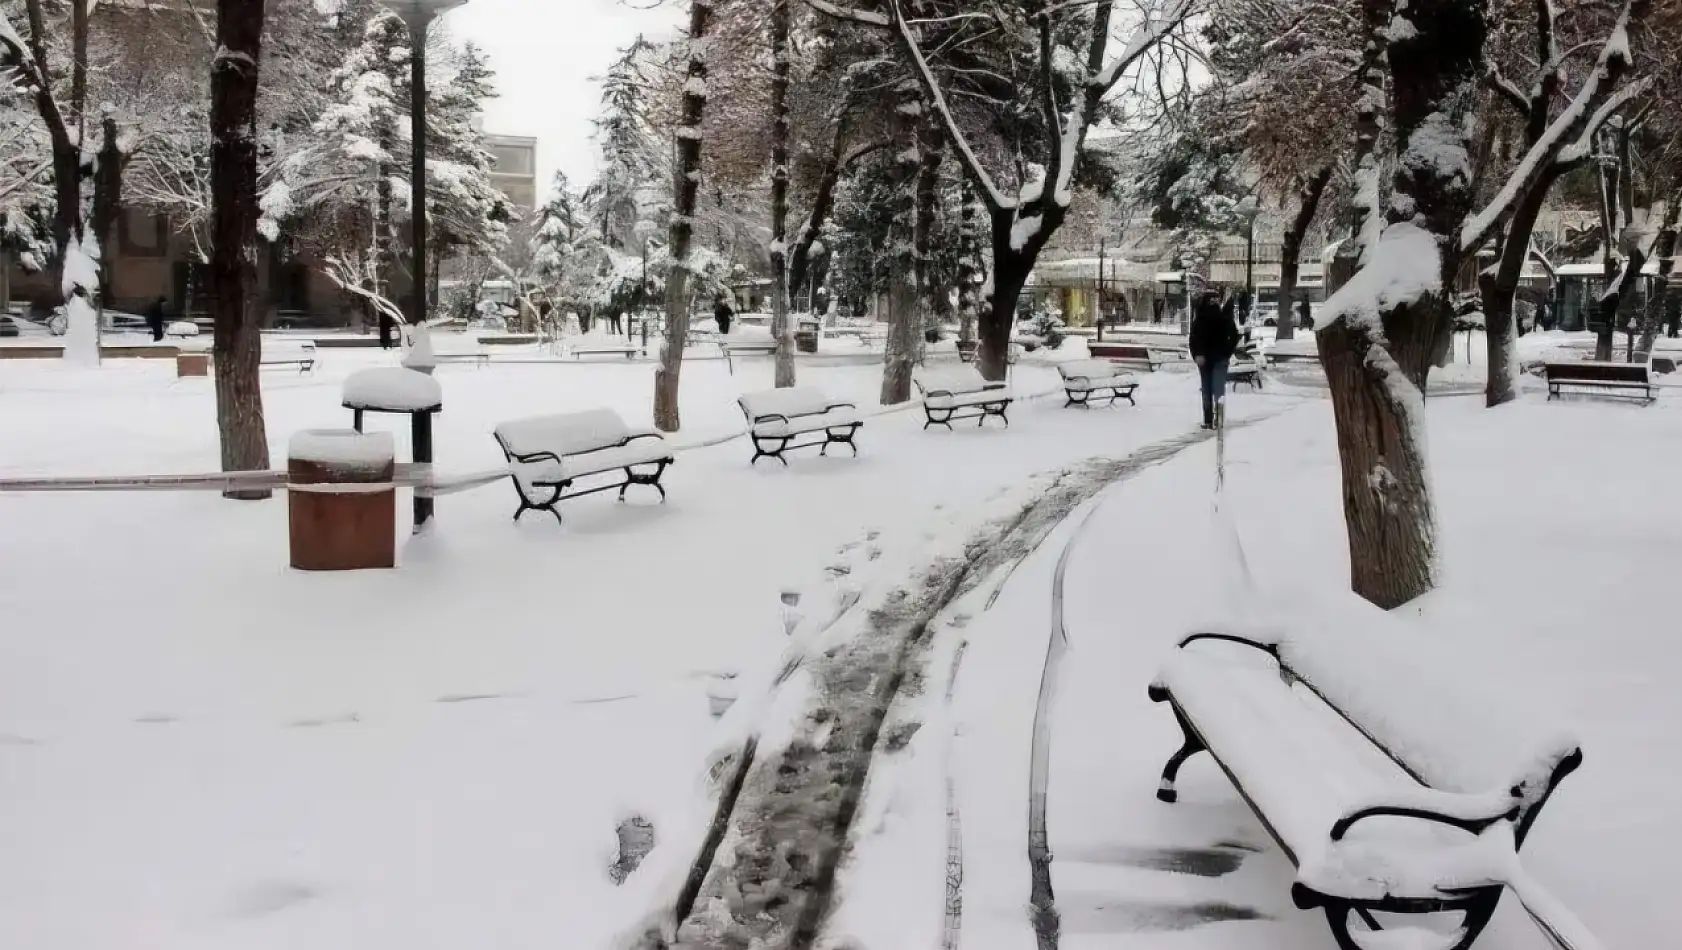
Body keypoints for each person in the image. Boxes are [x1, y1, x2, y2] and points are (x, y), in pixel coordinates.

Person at [1189, 290, 1239, 430]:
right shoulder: (1223, 317)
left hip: (1205, 359)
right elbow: (1234, 336)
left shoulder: (1200, 318)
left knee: (1207, 389)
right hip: (1219, 358)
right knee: (1217, 390)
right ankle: (1218, 419)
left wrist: (1197, 355)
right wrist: (1227, 352)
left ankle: (1209, 420)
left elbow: (1194, 339)